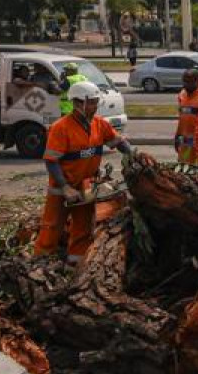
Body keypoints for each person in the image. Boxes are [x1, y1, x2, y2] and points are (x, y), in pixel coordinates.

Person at [35, 80, 134, 264]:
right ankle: (38, 265)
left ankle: (76, 265)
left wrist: (134, 155)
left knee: (83, 229)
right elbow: (51, 160)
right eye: (92, 102)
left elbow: (118, 141)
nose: (95, 106)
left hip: (86, 185)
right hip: (61, 188)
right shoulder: (61, 128)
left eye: (96, 102)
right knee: (52, 227)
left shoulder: (99, 124)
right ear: (78, 103)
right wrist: (65, 187)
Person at [172, 65, 198, 164]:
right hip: (186, 144)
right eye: (184, 82)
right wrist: (177, 135)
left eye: (189, 82)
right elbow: (182, 118)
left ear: (197, 80)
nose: (186, 85)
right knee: (184, 167)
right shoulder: (182, 94)